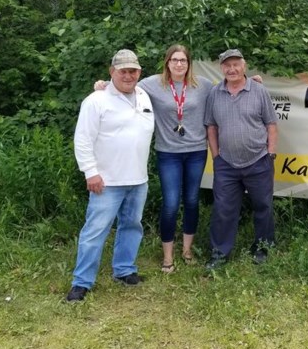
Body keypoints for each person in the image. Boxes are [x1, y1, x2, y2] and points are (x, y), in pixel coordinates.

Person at [93, 44, 264, 273]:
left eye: (183, 60)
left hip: (196, 152)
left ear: (189, 63)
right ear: (167, 62)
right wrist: (103, 84)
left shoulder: (202, 85)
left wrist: (251, 80)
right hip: (168, 153)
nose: (179, 64)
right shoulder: (151, 84)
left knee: (192, 201)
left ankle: (187, 250)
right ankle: (167, 256)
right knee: (171, 203)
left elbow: (229, 86)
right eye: (174, 60)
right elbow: (125, 83)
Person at [67, 49, 154, 302]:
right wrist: (91, 173)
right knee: (95, 231)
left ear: (139, 72)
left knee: (131, 226)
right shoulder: (96, 100)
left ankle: (124, 270)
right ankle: (81, 283)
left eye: (133, 70)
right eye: (123, 71)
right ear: (111, 71)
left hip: (138, 179)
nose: (128, 75)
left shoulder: (144, 95)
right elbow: (82, 140)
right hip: (106, 181)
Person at [204, 49, 279, 270]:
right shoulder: (215, 94)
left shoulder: (258, 90)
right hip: (226, 163)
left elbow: (271, 124)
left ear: (244, 66)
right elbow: (211, 127)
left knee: (263, 206)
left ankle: (263, 249)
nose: (232, 69)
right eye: (227, 65)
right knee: (223, 209)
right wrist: (216, 157)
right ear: (222, 68)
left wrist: (271, 153)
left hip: (259, 160)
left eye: (236, 64)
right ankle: (219, 254)